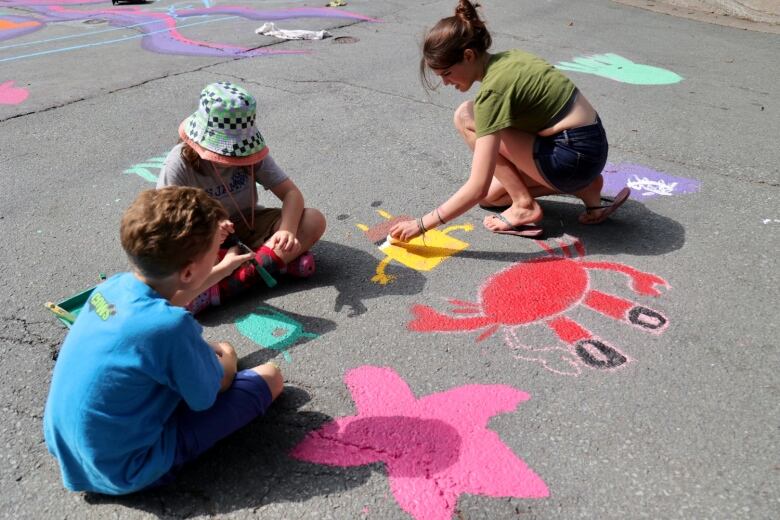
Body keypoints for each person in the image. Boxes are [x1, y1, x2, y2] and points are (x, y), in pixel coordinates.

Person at [43, 187, 284, 494]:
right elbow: (210, 393)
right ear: (187, 271)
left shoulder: (112, 288)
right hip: (126, 470)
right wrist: (226, 352)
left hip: (70, 450)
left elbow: (171, 299)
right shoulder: (170, 327)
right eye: (215, 252)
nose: (218, 254)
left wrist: (222, 270)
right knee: (270, 377)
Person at [390, 0, 630, 241]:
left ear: (468, 55)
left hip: (570, 156)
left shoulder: (492, 94)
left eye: (447, 73)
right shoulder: (511, 58)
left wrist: (421, 225)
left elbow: (477, 187)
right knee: (491, 198)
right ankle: (585, 188)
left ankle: (524, 204)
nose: (445, 82)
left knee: (465, 116)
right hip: (592, 149)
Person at [157, 81, 326, 312]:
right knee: (173, 267)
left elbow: (291, 193)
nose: (233, 159)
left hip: (248, 225)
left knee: (313, 220)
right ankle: (274, 264)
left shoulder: (252, 154)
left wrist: (286, 230)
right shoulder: (179, 163)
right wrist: (208, 231)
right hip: (206, 240)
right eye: (226, 152)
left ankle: (224, 286)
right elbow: (164, 224)